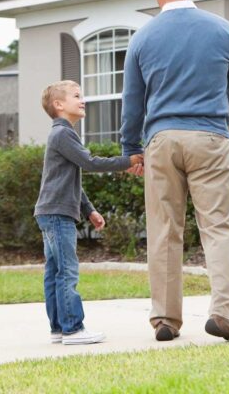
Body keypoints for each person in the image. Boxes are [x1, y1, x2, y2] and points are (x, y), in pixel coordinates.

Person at [120, 0, 229, 342]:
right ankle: (223, 311)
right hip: (210, 136)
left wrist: (132, 147)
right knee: (219, 227)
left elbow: (133, 101)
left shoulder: (142, 38)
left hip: (162, 139)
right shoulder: (221, 29)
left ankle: (164, 318)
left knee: (164, 229)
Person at [35, 80, 143, 345]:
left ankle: (59, 328)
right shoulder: (63, 133)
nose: (82, 100)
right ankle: (73, 328)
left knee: (55, 272)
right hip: (58, 214)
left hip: (51, 211)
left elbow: (70, 179)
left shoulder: (60, 135)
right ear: (59, 105)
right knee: (67, 271)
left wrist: (89, 210)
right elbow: (90, 163)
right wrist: (126, 162)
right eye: (76, 96)